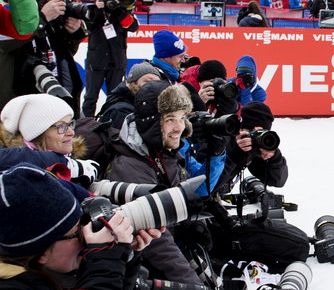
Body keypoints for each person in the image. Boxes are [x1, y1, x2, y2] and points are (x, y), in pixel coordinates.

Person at [104, 81, 208, 285]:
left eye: (182, 118)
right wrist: (193, 284)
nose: (179, 127)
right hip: (142, 265)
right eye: (170, 119)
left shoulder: (164, 152)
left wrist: (197, 226)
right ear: (149, 122)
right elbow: (159, 245)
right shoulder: (130, 165)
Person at [0, 162, 161, 290]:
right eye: (76, 233)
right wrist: (105, 260)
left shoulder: (45, 273)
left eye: (83, 223)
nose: (86, 235)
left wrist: (123, 255)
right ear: (40, 252)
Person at [8, 0, 86, 113]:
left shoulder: (50, 3)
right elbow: (10, 47)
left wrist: (72, 34)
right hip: (21, 97)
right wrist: (43, 18)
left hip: (57, 91)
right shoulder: (8, 7)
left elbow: (65, 53)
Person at [0, 94, 99, 184]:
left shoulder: (66, 154)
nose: (71, 132)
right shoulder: (19, 177)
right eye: (61, 126)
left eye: (70, 124)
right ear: (38, 134)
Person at [80, 0, 139, 117]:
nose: (108, 2)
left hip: (116, 62)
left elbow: (133, 26)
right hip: (96, 62)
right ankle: (86, 125)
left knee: (116, 97)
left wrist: (117, 10)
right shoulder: (92, 10)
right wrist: (97, 9)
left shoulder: (120, 11)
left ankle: (112, 124)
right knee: (91, 97)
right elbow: (87, 24)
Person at [215, 102, 286, 195]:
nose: (253, 137)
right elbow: (209, 184)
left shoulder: (257, 145)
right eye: (250, 131)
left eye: (260, 133)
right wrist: (234, 155)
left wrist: (274, 158)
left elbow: (277, 181)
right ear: (240, 128)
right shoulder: (222, 139)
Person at [97, 62, 162, 129]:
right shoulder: (120, 111)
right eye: (148, 82)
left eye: (158, 83)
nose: (154, 85)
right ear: (133, 83)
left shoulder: (150, 108)